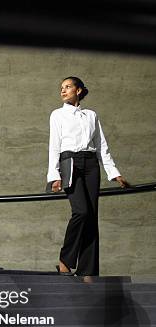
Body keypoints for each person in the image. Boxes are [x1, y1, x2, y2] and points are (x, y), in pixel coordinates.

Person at [47, 76, 130, 279]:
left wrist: (114, 172)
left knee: (92, 217)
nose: (63, 91)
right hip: (69, 163)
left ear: (79, 90)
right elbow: (54, 147)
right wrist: (54, 175)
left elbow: (102, 146)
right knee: (81, 212)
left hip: (91, 164)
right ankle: (65, 260)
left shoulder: (91, 115)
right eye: (61, 88)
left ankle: (88, 271)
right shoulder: (57, 115)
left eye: (68, 87)